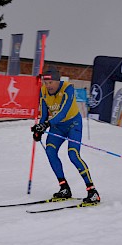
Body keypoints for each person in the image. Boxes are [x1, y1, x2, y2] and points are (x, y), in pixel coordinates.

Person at [31, 66, 100, 203]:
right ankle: (64, 188)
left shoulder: (68, 89)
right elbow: (44, 114)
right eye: (46, 83)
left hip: (73, 124)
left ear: (57, 81)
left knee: (73, 154)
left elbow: (63, 112)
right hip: (57, 127)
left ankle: (92, 191)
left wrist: (46, 125)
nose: (48, 86)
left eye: (51, 83)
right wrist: (40, 129)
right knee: (50, 151)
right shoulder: (43, 91)